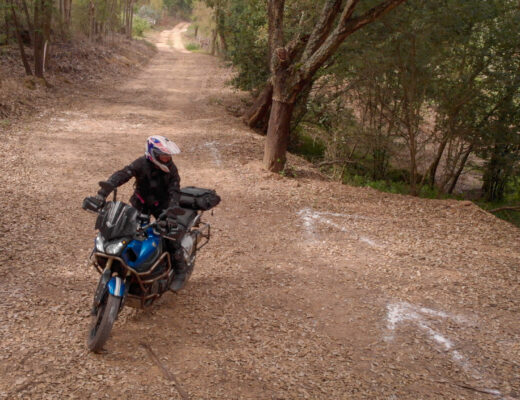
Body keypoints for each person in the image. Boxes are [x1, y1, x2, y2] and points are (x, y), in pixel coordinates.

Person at [89, 135, 188, 292]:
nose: (167, 159)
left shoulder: (171, 169)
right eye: (163, 155)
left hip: (161, 206)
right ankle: (128, 264)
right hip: (139, 203)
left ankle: (180, 272)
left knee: (170, 237)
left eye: (168, 156)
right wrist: (103, 192)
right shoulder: (141, 163)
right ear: (153, 153)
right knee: (126, 232)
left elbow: (175, 190)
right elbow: (123, 174)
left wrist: (172, 211)